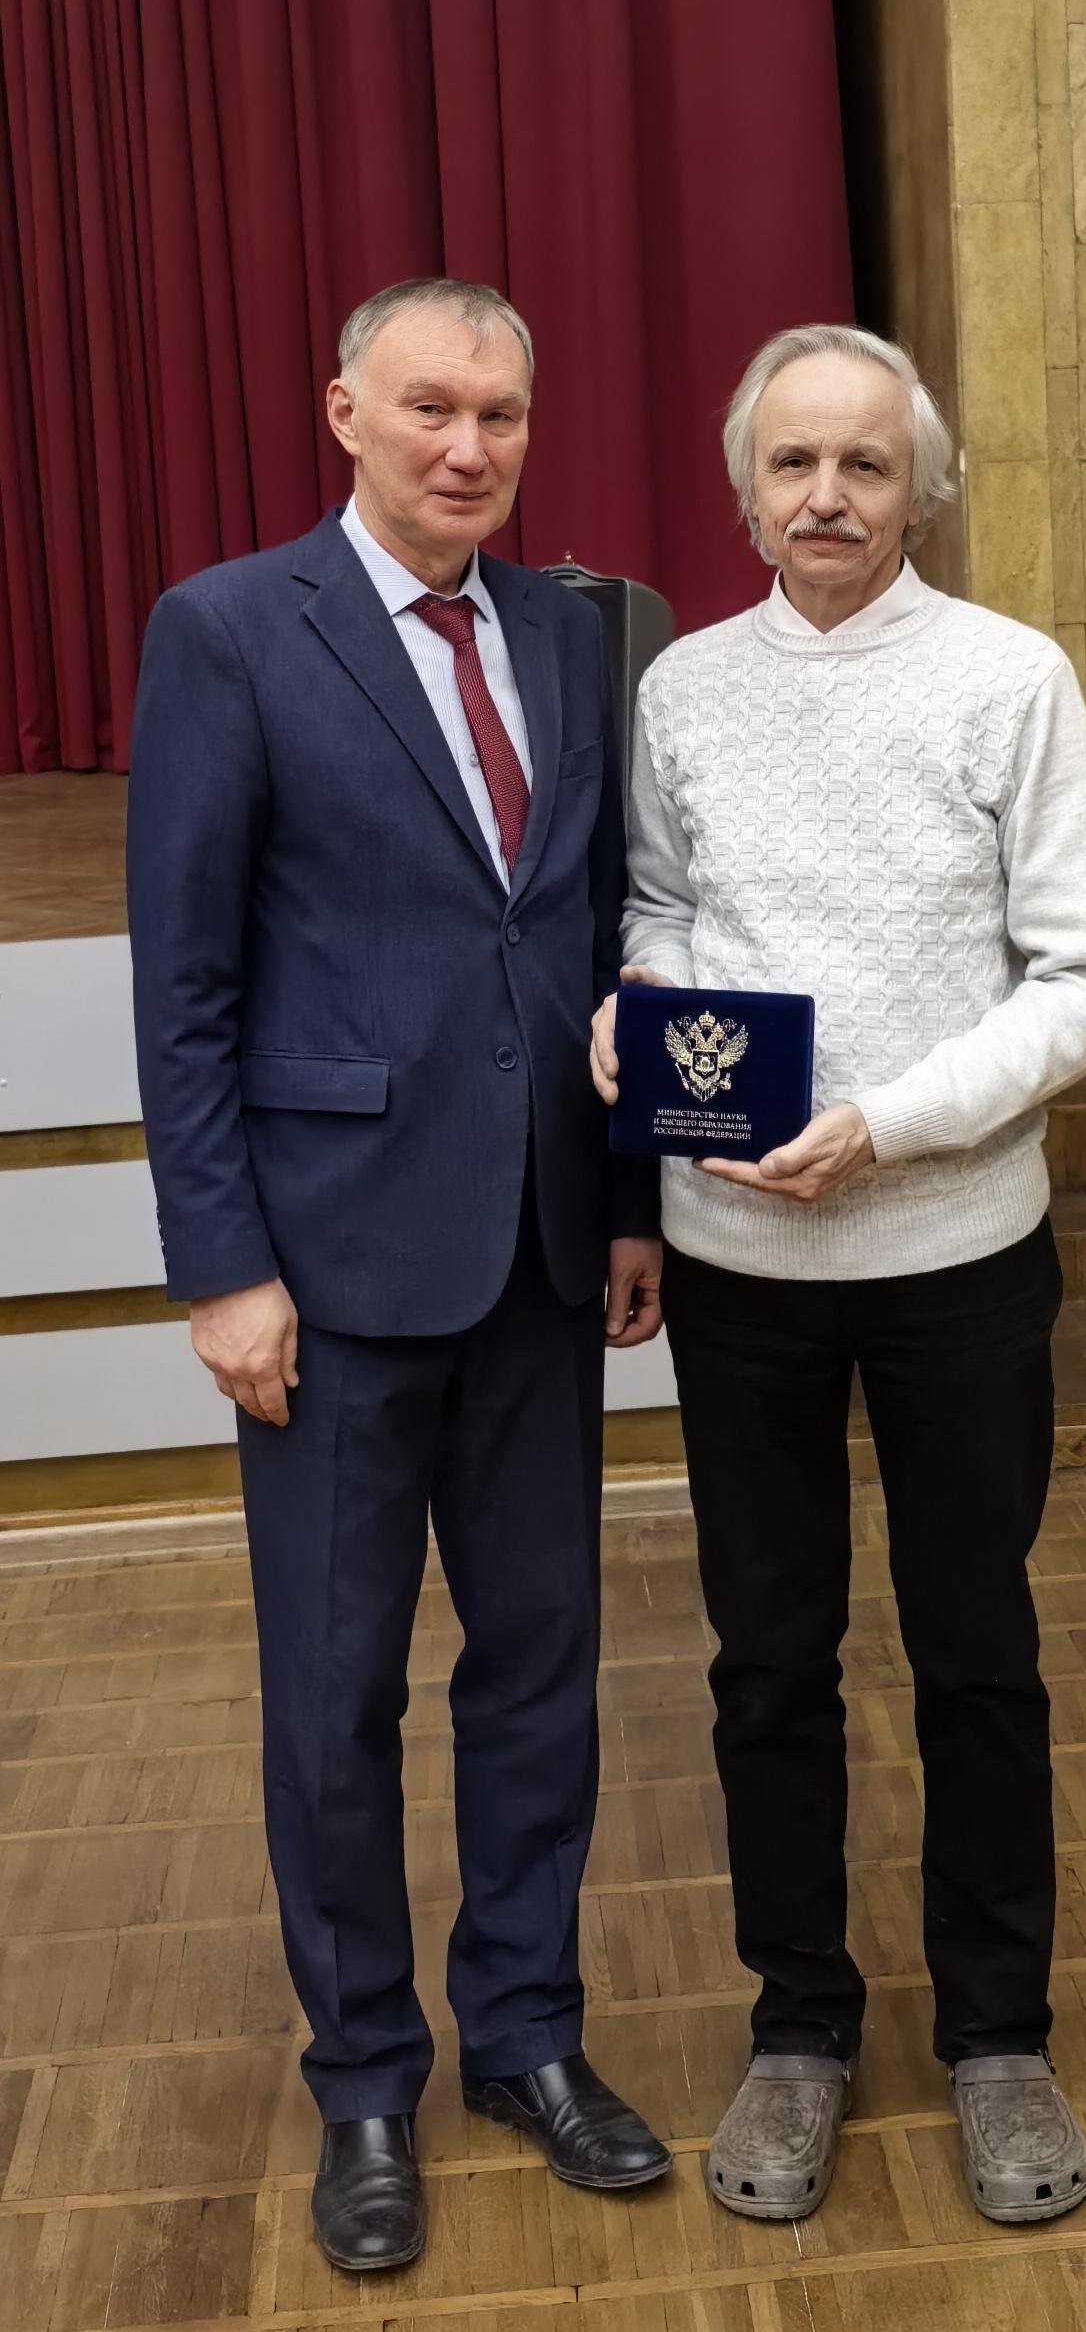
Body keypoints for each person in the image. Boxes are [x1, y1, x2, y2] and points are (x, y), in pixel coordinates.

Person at [128, 277, 671, 2276]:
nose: (469, 445)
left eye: (501, 414)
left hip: (542, 1251)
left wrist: (630, 1197)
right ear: (342, 410)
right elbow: (185, 981)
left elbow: (595, 933)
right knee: (331, 1700)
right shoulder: (226, 630)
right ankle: (363, 2075)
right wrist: (220, 1266)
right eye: (431, 406)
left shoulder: (569, 632)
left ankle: (525, 2034)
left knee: (538, 1676)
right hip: (330, 1269)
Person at [591, 325, 1086, 2225]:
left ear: (921, 489)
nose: (825, 495)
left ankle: (996, 2035)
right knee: (767, 1661)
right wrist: (646, 1005)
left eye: (864, 464)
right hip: (739, 1257)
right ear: (744, 487)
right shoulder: (681, 686)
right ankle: (798, 2026)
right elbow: (661, 903)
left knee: (973, 1648)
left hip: (954, 1252)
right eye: (793, 462)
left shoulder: (1010, 677)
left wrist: (891, 1124)